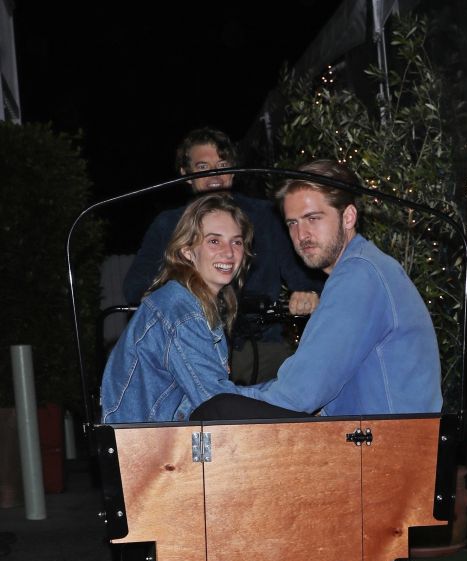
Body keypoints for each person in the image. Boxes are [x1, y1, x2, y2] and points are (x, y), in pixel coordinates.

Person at [191, 159, 442, 420]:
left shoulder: (359, 275)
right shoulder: (366, 266)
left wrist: (214, 400)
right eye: (292, 223)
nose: (302, 235)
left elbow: (299, 394)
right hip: (372, 441)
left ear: (348, 217)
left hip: (389, 450)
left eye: (313, 218)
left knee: (218, 412)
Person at [122, 126, 325, 383]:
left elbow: (303, 276)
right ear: (186, 174)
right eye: (204, 167)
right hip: (194, 349)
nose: (216, 174)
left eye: (222, 163)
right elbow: (136, 287)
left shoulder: (265, 215)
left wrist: (307, 293)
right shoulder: (168, 224)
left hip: (262, 348)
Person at [100, 194, 252, 423]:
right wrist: (287, 398)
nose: (229, 252)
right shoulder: (180, 310)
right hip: (145, 450)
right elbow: (217, 401)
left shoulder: (194, 301)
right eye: (214, 241)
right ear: (187, 251)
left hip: (163, 441)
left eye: (237, 241)